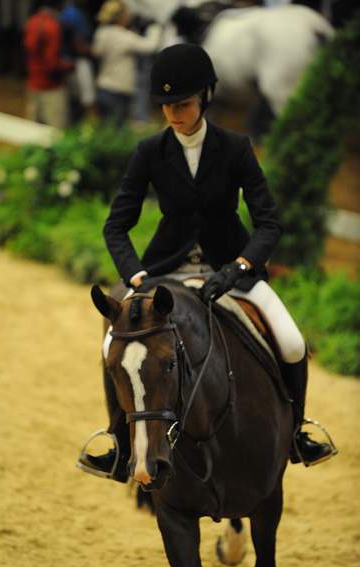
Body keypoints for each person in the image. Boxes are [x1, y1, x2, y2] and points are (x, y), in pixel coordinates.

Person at [79, 43, 336, 481]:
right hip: (165, 271)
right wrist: (135, 274)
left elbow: (269, 223)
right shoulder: (149, 152)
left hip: (230, 269)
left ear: (205, 97)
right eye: (166, 106)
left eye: (182, 104)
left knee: (291, 342)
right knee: (112, 346)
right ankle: (118, 441)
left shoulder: (235, 148)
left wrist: (238, 267)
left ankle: (298, 431)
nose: (174, 114)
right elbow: (116, 226)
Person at [91, 0, 162, 127]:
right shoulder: (123, 36)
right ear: (121, 16)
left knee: (105, 130)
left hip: (103, 87)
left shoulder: (101, 33)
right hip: (119, 90)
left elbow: (96, 52)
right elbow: (151, 46)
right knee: (117, 132)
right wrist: (155, 27)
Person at [24, 0, 75, 128]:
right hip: (51, 88)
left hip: (33, 84)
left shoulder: (32, 22)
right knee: (56, 134)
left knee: (33, 131)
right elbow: (51, 64)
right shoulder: (53, 26)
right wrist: (69, 66)